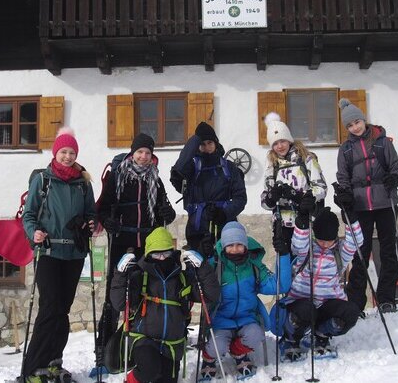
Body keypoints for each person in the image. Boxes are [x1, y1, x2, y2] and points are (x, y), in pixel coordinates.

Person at [94, 133, 177, 372]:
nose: (143, 157)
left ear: (152, 157)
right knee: (116, 296)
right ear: (132, 153)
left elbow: (165, 212)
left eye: (147, 153)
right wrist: (109, 220)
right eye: (139, 152)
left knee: (144, 297)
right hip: (122, 242)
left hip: (146, 247)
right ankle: (103, 353)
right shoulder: (119, 176)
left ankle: (139, 348)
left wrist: (166, 213)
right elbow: (105, 205)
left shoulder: (155, 180)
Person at [21, 127, 96, 383]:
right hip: (49, 251)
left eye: (72, 152)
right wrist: (35, 233)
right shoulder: (42, 180)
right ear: (56, 152)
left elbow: (91, 215)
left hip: (74, 253)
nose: (67, 156)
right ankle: (33, 366)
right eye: (63, 151)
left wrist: (89, 225)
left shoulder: (83, 183)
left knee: (62, 309)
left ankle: (54, 361)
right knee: (50, 307)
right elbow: (28, 215)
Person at [110, 227, 220, 383]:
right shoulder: (140, 277)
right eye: (156, 254)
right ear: (149, 255)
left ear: (172, 253)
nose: (161, 258)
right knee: (149, 369)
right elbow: (120, 303)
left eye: (165, 253)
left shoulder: (182, 279)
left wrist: (202, 267)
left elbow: (210, 295)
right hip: (144, 338)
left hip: (172, 344)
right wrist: (120, 274)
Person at [335, 98, 398, 313]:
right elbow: (343, 177)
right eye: (350, 125)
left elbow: (396, 168)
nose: (355, 127)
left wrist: (394, 178)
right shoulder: (345, 149)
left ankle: (386, 299)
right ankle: (356, 303)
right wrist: (344, 196)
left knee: (387, 252)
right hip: (360, 206)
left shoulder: (383, 142)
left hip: (385, 203)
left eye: (357, 122)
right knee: (360, 254)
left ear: (363, 120)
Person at [199, 221, 290, 380]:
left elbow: (279, 286)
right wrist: (203, 258)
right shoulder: (216, 266)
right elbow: (199, 281)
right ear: (224, 246)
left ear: (246, 246)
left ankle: (238, 352)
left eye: (239, 244)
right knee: (217, 346)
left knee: (256, 335)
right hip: (221, 320)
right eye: (230, 245)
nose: (235, 249)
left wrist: (283, 256)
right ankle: (208, 358)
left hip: (247, 318)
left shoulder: (254, 267)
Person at [278, 207, 363, 361]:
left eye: (328, 240)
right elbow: (297, 245)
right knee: (305, 309)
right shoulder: (308, 249)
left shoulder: (339, 253)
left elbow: (355, 242)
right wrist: (302, 220)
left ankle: (321, 334)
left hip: (326, 304)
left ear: (335, 237)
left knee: (351, 311)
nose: (324, 244)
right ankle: (291, 338)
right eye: (320, 239)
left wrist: (351, 218)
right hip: (300, 302)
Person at [170, 122, 247, 257]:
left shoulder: (229, 167)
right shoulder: (192, 168)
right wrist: (194, 140)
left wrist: (224, 213)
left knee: (223, 269)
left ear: (216, 143)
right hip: (197, 228)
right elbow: (179, 168)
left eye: (210, 143)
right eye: (202, 144)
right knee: (198, 269)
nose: (206, 147)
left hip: (224, 226)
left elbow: (240, 198)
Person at [261, 112, 328, 256]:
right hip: (282, 224)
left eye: (282, 141)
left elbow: (321, 188)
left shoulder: (306, 159)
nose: (280, 146)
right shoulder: (272, 165)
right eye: (275, 143)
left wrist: (302, 197)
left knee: (305, 261)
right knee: (286, 264)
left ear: (289, 140)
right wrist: (271, 197)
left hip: (305, 219)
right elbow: (265, 200)